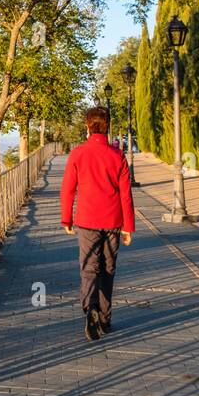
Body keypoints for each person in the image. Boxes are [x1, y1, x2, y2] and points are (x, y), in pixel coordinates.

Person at [59, 106, 134, 340]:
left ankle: (88, 308)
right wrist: (128, 226)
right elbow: (125, 194)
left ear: (87, 126)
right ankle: (105, 317)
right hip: (113, 220)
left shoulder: (78, 154)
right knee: (108, 268)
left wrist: (66, 218)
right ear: (108, 125)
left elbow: (67, 190)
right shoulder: (117, 156)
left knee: (89, 267)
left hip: (87, 219)